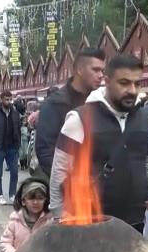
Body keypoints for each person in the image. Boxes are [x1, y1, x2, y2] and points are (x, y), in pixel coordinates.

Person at [48, 55, 148, 231]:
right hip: (90, 222)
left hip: (135, 223)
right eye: (124, 83)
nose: (132, 90)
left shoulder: (146, 119)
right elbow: (59, 172)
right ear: (107, 81)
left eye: (137, 83)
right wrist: (59, 216)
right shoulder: (79, 118)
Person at [35, 48, 106, 177]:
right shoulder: (55, 104)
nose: (101, 75)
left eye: (102, 70)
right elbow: (45, 152)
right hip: (69, 188)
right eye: (95, 70)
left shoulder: (102, 103)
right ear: (79, 70)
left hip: (99, 188)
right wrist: (70, 184)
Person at [0, 178, 52, 252]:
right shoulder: (15, 221)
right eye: (31, 198)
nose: (35, 202)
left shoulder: (50, 222)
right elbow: (5, 243)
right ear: (23, 201)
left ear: (46, 200)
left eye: (40, 198)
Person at [0, 90, 22, 206]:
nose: (8, 101)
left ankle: (12, 194)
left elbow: (18, 129)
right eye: (6, 99)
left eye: (10, 99)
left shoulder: (14, 113)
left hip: (12, 148)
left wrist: (18, 145)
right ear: (1, 100)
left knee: (14, 172)